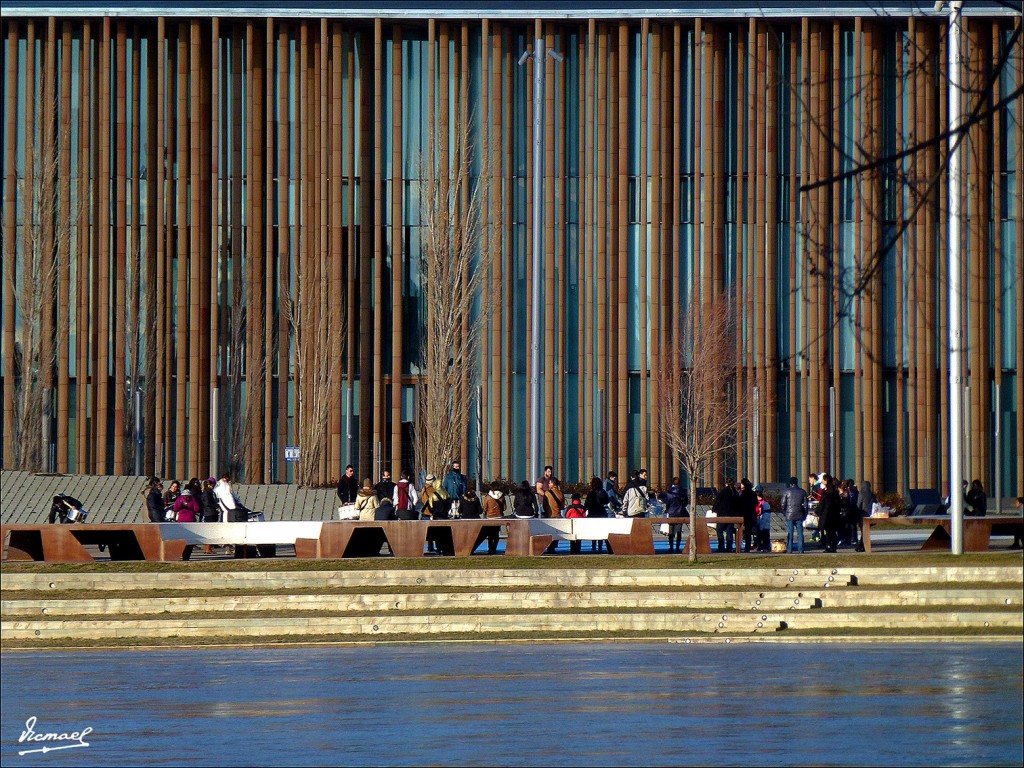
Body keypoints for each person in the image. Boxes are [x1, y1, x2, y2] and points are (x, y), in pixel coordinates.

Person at [662, 477, 689, 554]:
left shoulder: (669, 492)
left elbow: (667, 503)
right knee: (678, 531)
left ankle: (671, 547)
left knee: (671, 532)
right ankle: (677, 547)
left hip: (672, 513)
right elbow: (686, 502)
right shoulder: (683, 491)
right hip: (680, 513)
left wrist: (668, 510)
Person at [781, 476, 807, 554]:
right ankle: (801, 549)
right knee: (800, 532)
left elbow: (783, 504)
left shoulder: (787, 491)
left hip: (789, 514)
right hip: (799, 513)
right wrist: (805, 514)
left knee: (790, 532)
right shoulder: (802, 492)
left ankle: (789, 549)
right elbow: (806, 505)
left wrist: (785, 512)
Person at [585, 477, 610, 552]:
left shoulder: (590, 493)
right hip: (601, 513)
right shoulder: (603, 492)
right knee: (601, 530)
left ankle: (593, 545)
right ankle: (600, 545)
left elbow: (586, 504)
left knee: (594, 531)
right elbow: (607, 501)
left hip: (592, 514)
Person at [818, 475, 842, 553]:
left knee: (828, 532)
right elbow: (839, 504)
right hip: (835, 515)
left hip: (827, 515)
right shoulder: (836, 494)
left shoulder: (825, 494)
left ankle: (828, 546)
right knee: (833, 532)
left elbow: (821, 505)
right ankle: (833, 546)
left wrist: (817, 512)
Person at [481, 484, 507, 555]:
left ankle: (490, 549)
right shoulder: (502, 496)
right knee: (496, 535)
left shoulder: (488, 497)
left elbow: (485, 508)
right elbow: (504, 508)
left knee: (490, 535)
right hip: (499, 517)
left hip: (490, 517)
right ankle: (494, 548)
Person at [712, 481, 737, 553]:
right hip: (731, 514)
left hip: (722, 514)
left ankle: (721, 546)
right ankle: (729, 547)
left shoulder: (723, 491)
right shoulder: (734, 492)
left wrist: (714, 509)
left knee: (719, 530)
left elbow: (717, 501)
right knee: (729, 531)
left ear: (726, 484)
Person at [736, 478, 758, 552]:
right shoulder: (752, 493)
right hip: (751, 514)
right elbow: (756, 503)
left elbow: (739, 503)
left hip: (743, 514)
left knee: (740, 531)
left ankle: (738, 547)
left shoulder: (742, 493)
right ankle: (747, 547)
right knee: (748, 532)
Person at [855, 481, 875, 552]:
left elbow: (858, 504)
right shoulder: (872, 494)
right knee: (866, 531)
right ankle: (861, 545)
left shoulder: (861, 494)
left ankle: (861, 546)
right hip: (870, 514)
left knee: (863, 531)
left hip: (862, 514)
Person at [754, 488, 772, 552]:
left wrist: (761, 526)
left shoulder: (765, 504)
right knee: (759, 537)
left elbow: (765, 517)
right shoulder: (760, 503)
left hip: (764, 526)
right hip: (759, 524)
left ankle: (766, 547)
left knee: (765, 538)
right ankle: (759, 546)